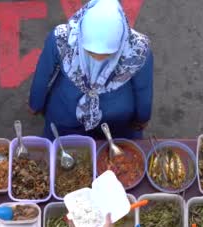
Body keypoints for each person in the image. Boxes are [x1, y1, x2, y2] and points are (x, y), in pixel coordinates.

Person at [28, 0, 153, 140]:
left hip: (66, 110)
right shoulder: (138, 50)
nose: (97, 60)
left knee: (63, 146)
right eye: (89, 52)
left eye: (107, 55)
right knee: (114, 148)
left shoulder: (61, 39)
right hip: (116, 118)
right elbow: (143, 90)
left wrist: (35, 104)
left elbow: (43, 75)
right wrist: (142, 118)